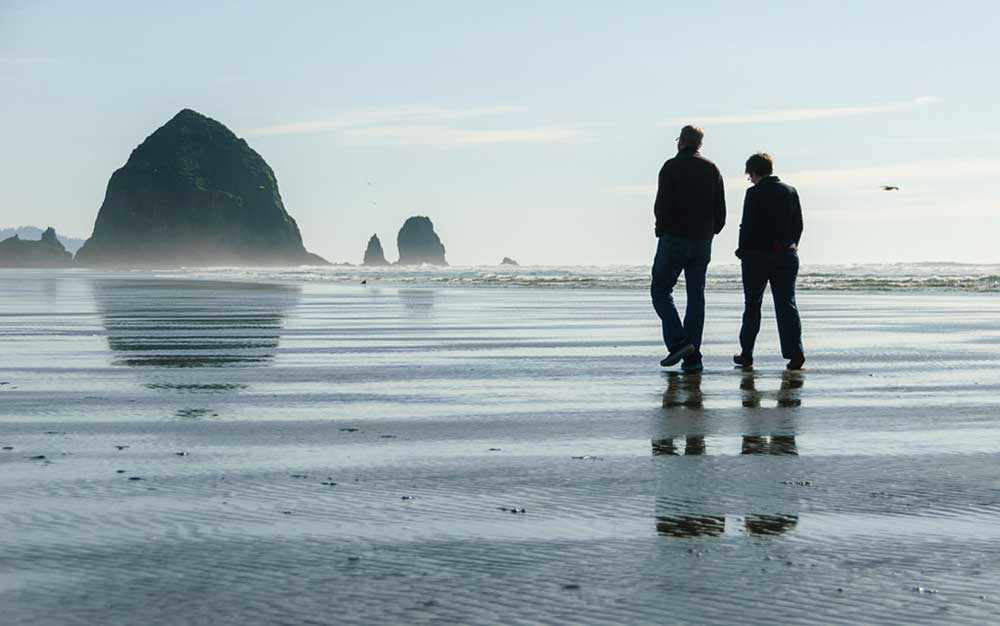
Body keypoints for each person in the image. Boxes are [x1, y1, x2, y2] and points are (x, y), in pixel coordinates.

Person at [651, 125, 726, 373]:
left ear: (681, 141)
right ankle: (693, 357)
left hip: (674, 238)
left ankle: (679, 343)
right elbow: (721, 212)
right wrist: (709, 232)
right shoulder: (711, 169)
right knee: (696, 296)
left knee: (661, 291)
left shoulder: (671, 167)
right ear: (699, 144)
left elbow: (662, 204)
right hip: (702, 241)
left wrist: (661, 229)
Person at [734, 152, 805, 370]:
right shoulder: (790, 191)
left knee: (753, 305)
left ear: (754, 172)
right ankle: (795, 353)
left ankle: (747, 353)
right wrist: (793, 243)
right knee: (786, 304)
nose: (750, 179)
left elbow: (747, 225)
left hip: (757, 256)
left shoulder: (754, 193)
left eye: (750, 175)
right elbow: (798, 224)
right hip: (785, 253)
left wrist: (742, 251)